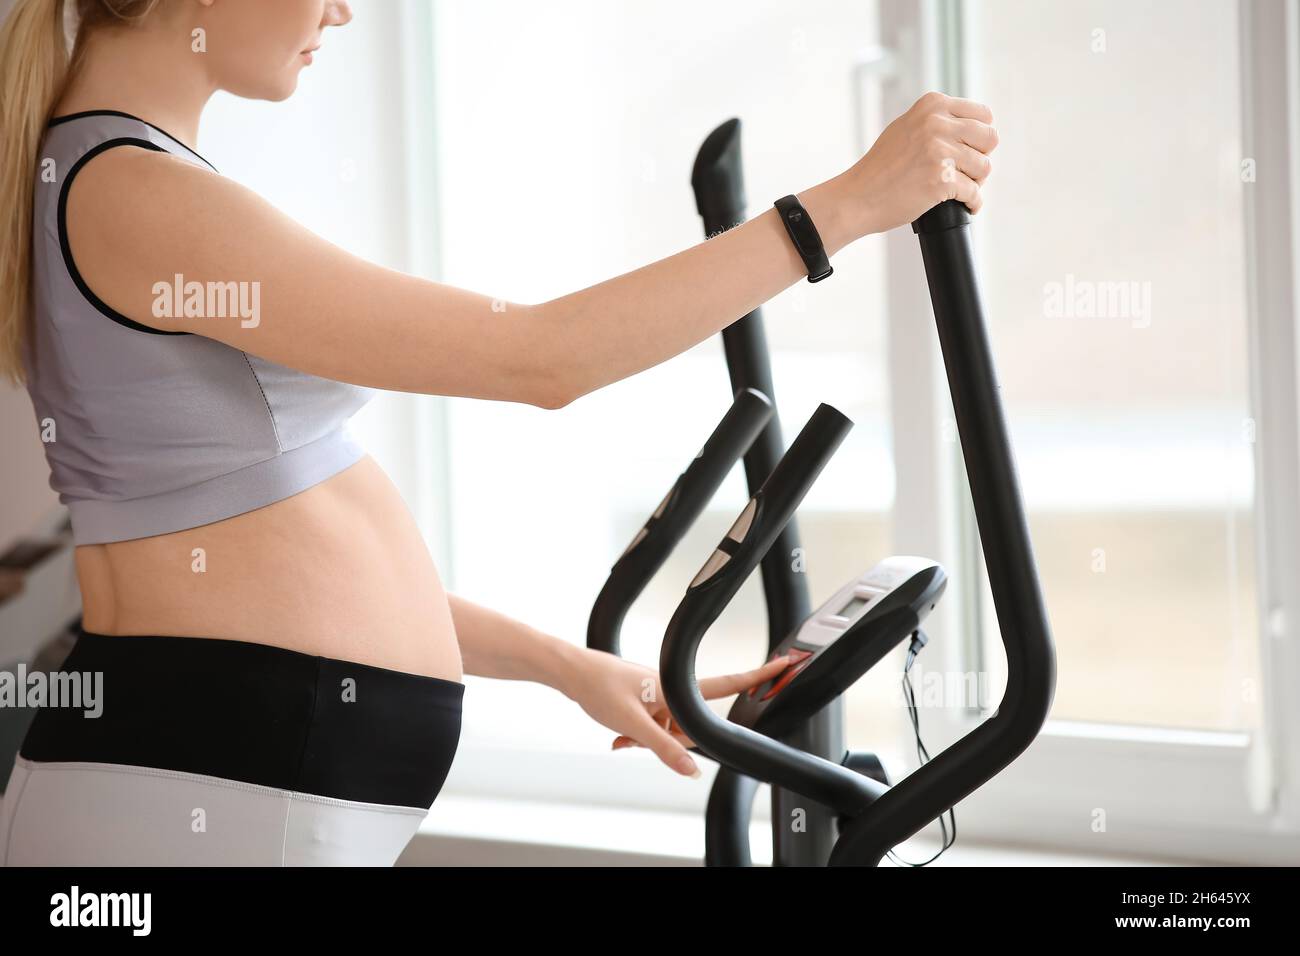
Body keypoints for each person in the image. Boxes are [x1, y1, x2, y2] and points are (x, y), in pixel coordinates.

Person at [0, 0, 997, 865]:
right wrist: (845, 204)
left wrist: (573, 667)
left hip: (222, 780)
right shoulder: (134, 192)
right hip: (201, 787)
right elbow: (537, 357)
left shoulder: (113, 177)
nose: (342, 14)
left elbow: (242, 548)